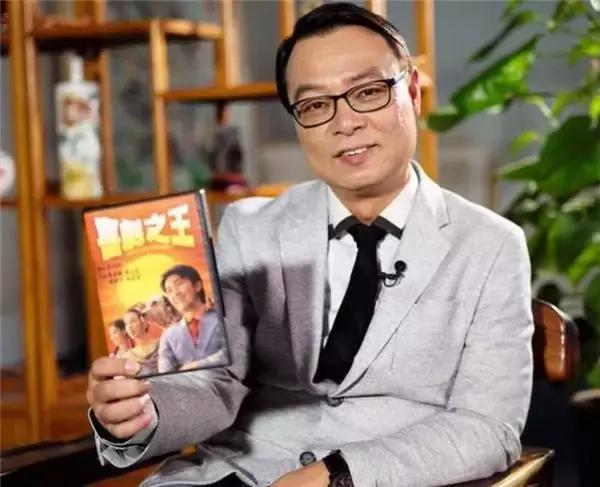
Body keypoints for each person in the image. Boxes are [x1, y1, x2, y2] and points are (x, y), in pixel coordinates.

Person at [86, 3, 533, 487]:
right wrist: (143, 410)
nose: (345, 123)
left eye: (368, 92)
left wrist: (338, 475)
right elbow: (216, 380)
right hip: (232, 474)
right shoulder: (249, 227)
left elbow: (488, 427)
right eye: (316, 105)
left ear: (411, 92)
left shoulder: (490, 246)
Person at [157, 265, 228, 373]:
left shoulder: (224, 318)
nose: (175, 293)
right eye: (169, 290)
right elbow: (165, 374)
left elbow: (234, 351)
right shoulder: (169, 335)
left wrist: (197, 365)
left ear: (197, 286)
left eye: (179, 284)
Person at [122, 306, 159, 376]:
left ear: (144, 322)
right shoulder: (127, 357)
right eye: (126, 324)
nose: (129, 327)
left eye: (132, 321)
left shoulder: (161, 345)